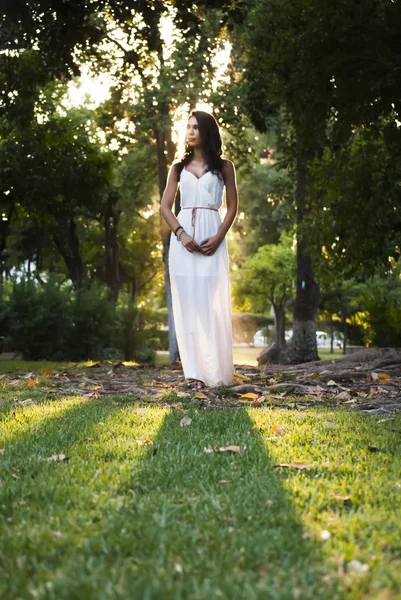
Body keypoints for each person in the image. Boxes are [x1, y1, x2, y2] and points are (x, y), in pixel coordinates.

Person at [161, 110, 238, 390]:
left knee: (210, 303)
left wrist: (219, 237)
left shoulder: (224, 166)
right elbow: (165, 207)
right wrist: (180, 234)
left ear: (207, 131)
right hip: (183, 241)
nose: (190, 132)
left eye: (195, 127)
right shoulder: (178, 168)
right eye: (187, 127)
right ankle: (192, 374)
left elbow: (232, 207)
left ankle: (216, 371)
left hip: (211, 235)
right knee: (188, 305)